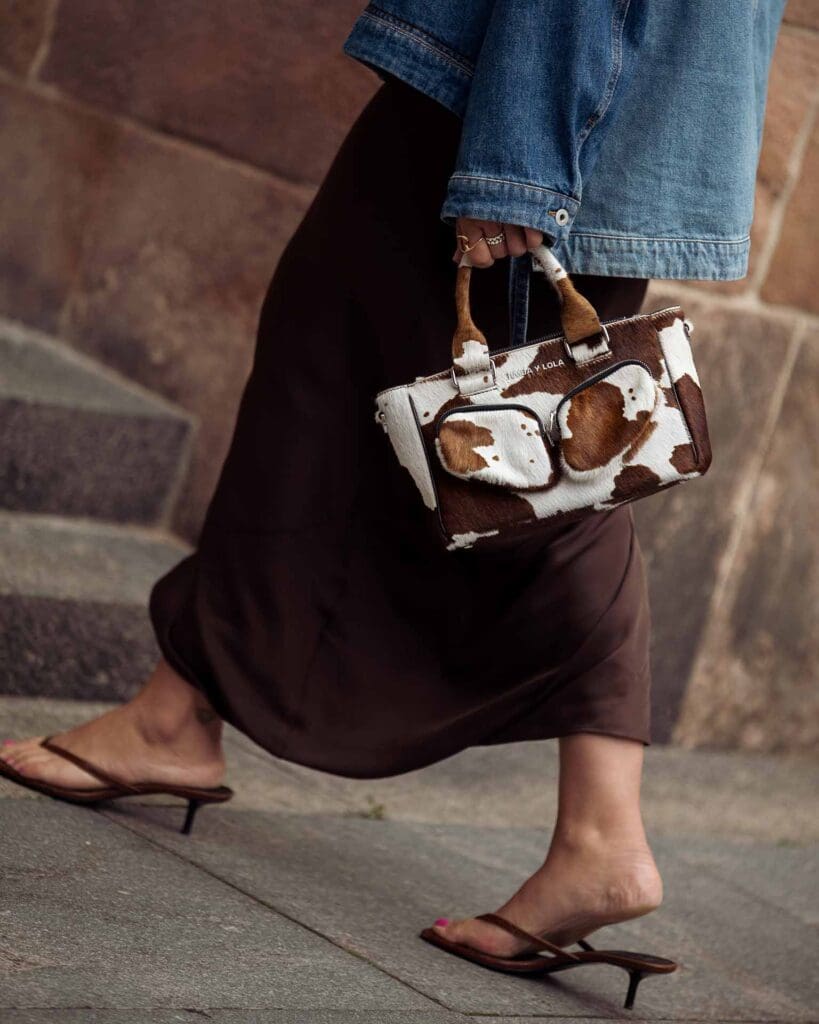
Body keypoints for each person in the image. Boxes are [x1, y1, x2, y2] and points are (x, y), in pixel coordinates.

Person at [1, 0, 785, 1010]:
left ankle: (601, 835)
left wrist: (518, 167)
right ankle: (178, 708)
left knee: (531, 463)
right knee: (492, 431)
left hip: (535, 111)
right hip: (610, 115)